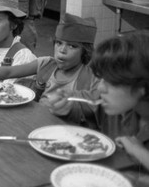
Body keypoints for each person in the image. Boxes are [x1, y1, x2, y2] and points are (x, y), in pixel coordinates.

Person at [0, 13, 100, 127]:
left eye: (72, 46)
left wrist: (72, 108)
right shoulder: (47, 64)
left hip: (64, 129)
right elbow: (10, 71)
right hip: (35, 121)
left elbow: (93, 114)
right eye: (59, 43)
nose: (62, 50)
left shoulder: (88, 79)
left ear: (85, 51)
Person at [48, 31, 149, 173]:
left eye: (111, 82)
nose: (101, 87)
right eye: (101, 78)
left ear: (142, 87)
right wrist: (62, 105)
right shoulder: (113, 103)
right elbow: (83, 101)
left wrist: (141, 153)